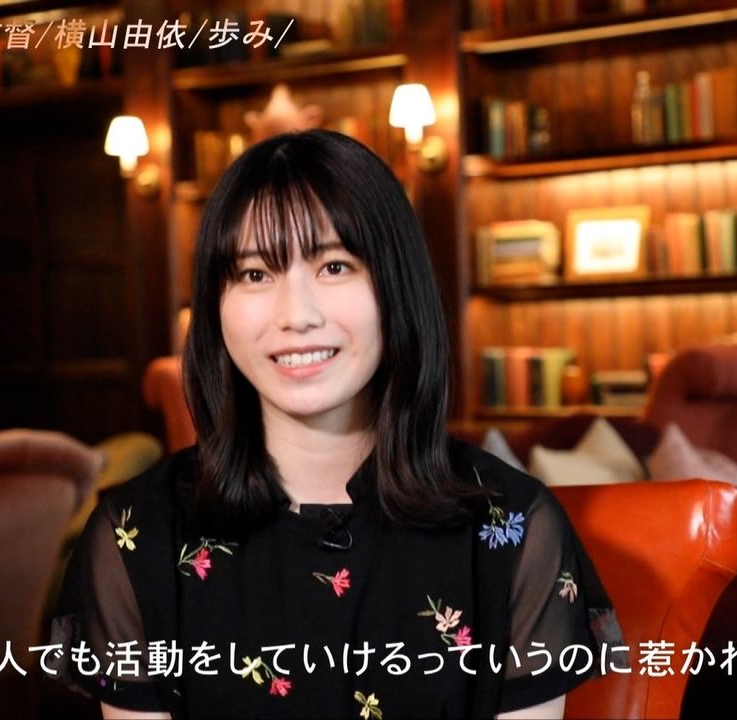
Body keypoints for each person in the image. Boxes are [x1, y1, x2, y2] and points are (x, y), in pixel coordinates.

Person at [50, 129, 623, 719]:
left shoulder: (515, 529)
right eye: (255, 274)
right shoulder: (136, 534)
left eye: (334, 265)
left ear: (396, 287)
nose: (296, 315)